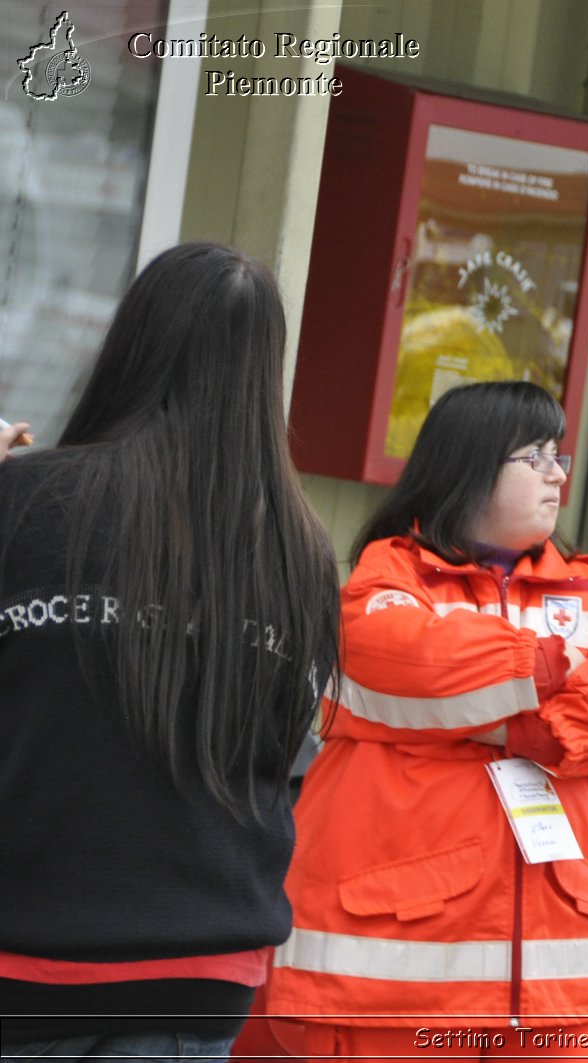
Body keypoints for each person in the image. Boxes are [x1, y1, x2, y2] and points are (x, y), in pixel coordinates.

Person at [0, 243, 342, 1059]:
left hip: (27, 943)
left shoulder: (26, 502)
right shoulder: (302, 551)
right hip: (204, 964)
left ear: (133, 344)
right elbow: (286, 751)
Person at [265, 381, 588, 1057]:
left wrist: (507, 725)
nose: (557, 473)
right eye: (534, 455)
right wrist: (537, 667)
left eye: (558, 454)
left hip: (567, 987)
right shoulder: (385, 577)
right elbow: (397, 661)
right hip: (393, 975)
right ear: (470, 462)